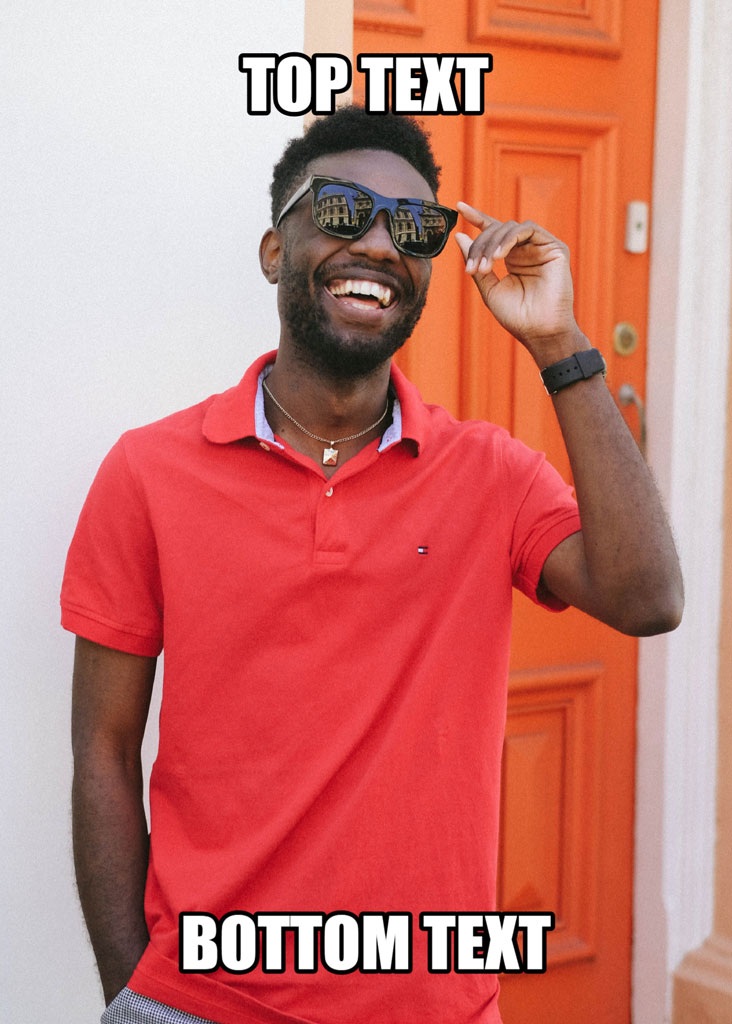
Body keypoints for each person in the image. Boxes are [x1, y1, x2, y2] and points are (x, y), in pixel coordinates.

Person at [63, 106, 683, 1024]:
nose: (383, 244)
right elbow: (104, 751)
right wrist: (132, 997)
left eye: (415, 227)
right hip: (202, 1002)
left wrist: (560, 344)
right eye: (346, 212)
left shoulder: (492, 473)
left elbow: (648, 598)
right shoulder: (149, 471)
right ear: (277, 250)